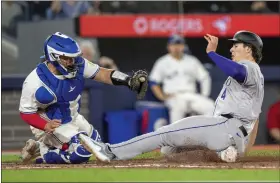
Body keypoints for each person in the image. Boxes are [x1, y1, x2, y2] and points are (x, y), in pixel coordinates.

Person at [86, 30, 264, 163]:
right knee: (169, 150)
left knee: (163, 135)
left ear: (248, 49)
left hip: (224, 126)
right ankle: (223, 152)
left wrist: (212, 53)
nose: (232, 49)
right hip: (234, 135)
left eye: (236, 45)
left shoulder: (250, 67)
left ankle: (110, 151)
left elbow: (236, 70)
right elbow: (255, 120)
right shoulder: (258, 80)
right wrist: (244, 150)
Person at [19, 32, 148, 164]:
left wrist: (128, 80)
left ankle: (39, 148)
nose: (72, 62)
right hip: (52, 122)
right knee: (80, 153)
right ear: (53, 56)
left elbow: (102, 73)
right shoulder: (34, 81)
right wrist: (45, 125)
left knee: (97, 143)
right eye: (67, 58)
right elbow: (25, 113)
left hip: (71, 116)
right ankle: (44, 151)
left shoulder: (79, 65)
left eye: (73, 58)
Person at [149, 34, 214, 123]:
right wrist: (162, 97)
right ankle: (175, 136)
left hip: (191, 94)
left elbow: (204, 77)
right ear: (168, 47)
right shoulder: (162, 62)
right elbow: (153, 81)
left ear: (183, 46)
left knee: (210, 106)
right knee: (178, 106)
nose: (176, 47)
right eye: (173, 44)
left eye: (179, 44)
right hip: (174, 96)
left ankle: (206, 134)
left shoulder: (192, 61)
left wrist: (204, 95)